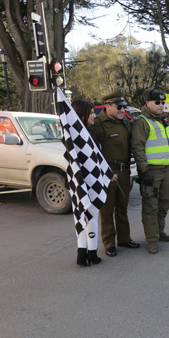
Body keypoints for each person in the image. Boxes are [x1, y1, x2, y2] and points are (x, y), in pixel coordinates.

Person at [91, 89, 140, 257]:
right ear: (108, 106)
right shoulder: (98, 123)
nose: (122, 110)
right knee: (107, 210)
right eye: (119, 107)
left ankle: (124, 238)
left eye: (124, 107)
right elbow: (93, 149)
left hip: (125, 171)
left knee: (122, 208)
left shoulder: (125, 121)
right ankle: (109, 243)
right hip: (109, 173)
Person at [69, 100, 116, 266]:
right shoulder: (86, 135)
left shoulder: (70, 134)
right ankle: (92, 253)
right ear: (81, 115)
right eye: (90, 113)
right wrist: (107, 174)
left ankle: (82, 254)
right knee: (92, 215)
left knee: (81, 215)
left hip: (76, 182)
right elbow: (95, 160)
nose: (94, 116)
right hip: (89, 181)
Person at [131, 88, 169, 254]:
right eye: (157, 102)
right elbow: (138, 148)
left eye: (163, 102)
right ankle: (152, 240)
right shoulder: (141, 122)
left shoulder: (162, 121)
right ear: (147, 103)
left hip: (165, 170)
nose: (161, 105)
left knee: (164, 204)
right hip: (152, 171)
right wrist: (144, 171)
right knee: (150, 206)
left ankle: (159, 231)